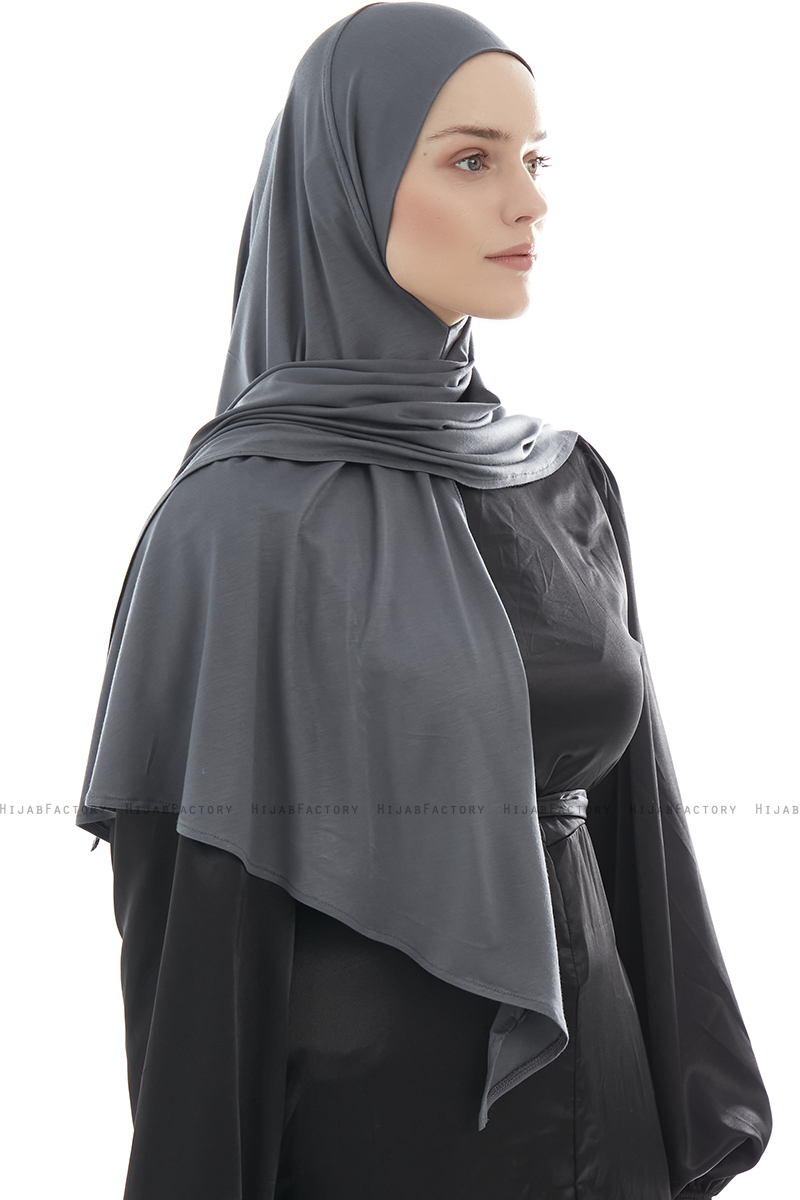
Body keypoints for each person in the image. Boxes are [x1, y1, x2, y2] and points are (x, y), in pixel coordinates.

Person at [76, 4, 772, 1198]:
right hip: (374, 1135)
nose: (528, 202)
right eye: (469, 160)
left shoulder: (561, 479)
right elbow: (194, 946)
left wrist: (681, 1097)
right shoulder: (231, 526)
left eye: (533, 159)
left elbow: (635, 832)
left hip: (603, 1100)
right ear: (344, 189)